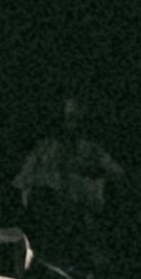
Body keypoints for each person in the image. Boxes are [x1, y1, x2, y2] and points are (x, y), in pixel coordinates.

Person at [12, 98, 124, 263]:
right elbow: (22, 181)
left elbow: (117, 173)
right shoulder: (44, 149)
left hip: (80, 213)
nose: (71, 124)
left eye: (75, 118)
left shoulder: (90, 150)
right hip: (50, 211)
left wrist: (88, 176)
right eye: (67, 118)